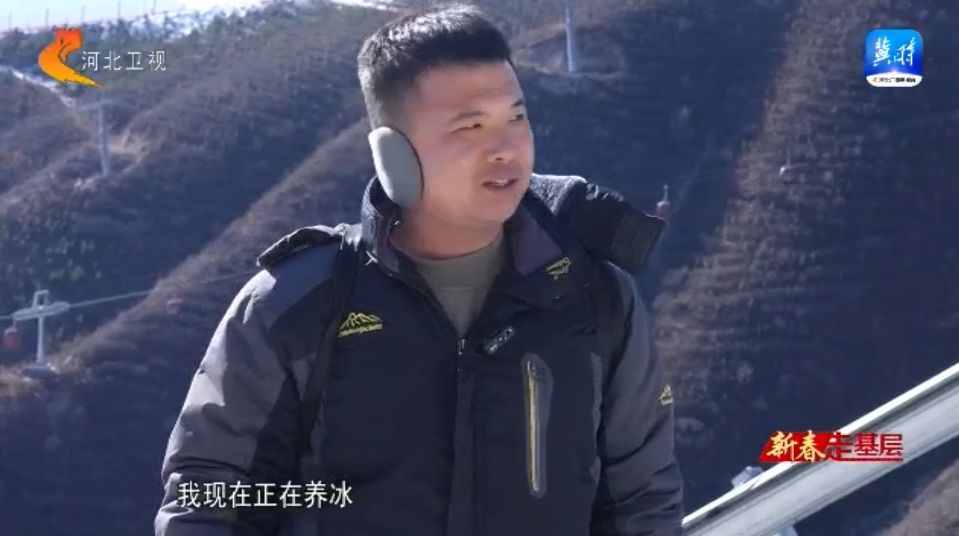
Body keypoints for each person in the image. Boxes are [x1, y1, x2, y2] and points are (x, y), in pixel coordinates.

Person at [155, 4, 682, 535]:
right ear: (393, 154)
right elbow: (208, 499)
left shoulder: (593, 297)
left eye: (516, 118)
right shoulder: (299, 303)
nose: (506, 148)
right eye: (471, 126)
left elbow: (643, 502)